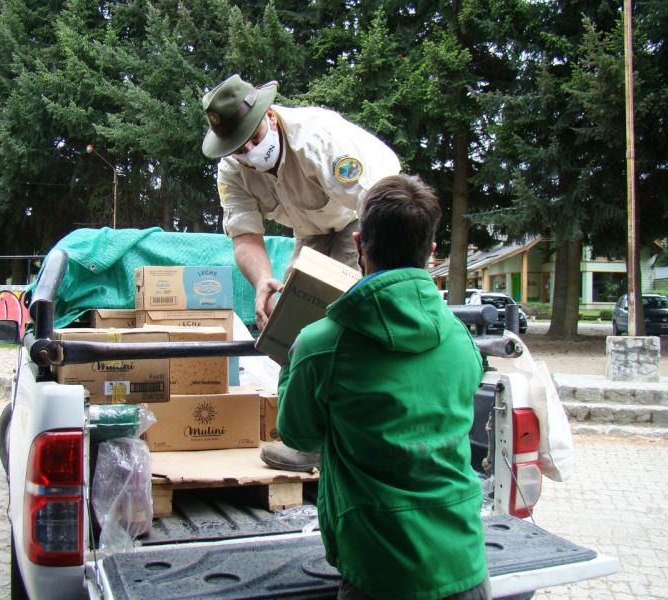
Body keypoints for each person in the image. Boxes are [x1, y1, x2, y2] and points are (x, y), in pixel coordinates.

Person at [276, 174, 490, 600]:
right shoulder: (460, 340)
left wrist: (291, 355)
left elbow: (298, 435)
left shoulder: (322, 344)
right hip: (466, 565)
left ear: (358, 246)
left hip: (378, 572)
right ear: (430, 253)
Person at [201, 74, 400, 331]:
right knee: (289, 316)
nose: (250, 150)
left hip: (362, 214)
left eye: (255, 136)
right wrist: (263, 281)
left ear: (270, 116)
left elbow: (377, 204)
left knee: (346, 305)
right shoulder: (231, 173)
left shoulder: (318, 138)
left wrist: (373, 273)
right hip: (310, 232)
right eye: (239, 147)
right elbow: (245, 237)